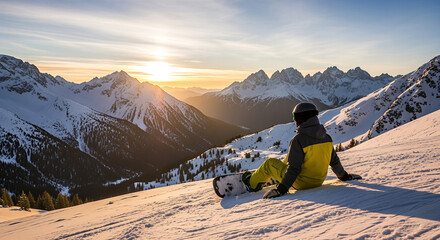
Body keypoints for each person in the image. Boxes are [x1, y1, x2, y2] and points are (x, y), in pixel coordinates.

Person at [242, 102, 361, 199]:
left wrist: (281, 189)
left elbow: (294, 168)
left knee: (269, 163)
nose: (294, 121)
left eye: (295, 117)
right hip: (318, 181)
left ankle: (251, 184)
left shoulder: (298, 139)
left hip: (300, 183)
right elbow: (334, 162)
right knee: (291, 156)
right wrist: (345, 177)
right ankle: (280, 176)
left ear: (301, 119)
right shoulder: (327, 138)